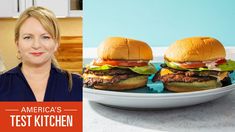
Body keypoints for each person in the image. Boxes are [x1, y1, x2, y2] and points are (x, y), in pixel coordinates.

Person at [0, 6, 83, 101]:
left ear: (56, 43)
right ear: (17, 44)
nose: (36, 45)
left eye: (45, 37)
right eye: (28, 37)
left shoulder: (77, 85)